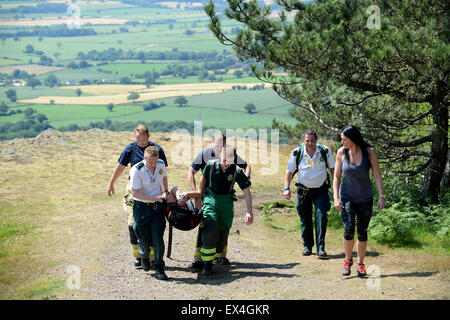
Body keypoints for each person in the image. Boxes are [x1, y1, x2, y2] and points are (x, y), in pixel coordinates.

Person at [107, 124, 168, 268]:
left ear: (148, 136)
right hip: (135, 189)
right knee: (133, 224)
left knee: (154, 229)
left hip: (153, 187)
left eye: (144, 140)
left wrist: (164, 191)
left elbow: (162, 173)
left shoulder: (157, 150)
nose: (141, 143)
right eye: (138, 140)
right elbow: (120, 167)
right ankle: (138, 255)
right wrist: (111, 183)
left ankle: (152, 258)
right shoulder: (131, 149)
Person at [187, 132, 251, 269]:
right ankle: (201, 259)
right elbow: (192, 172)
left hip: (225, 200)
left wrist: (245, 179)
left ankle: (220, 256)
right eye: (217, 143)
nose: (219, 146)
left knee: (223, 227)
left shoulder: (229, 154)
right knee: (208, 226)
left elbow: (246, 166)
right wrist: (198, 195)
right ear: (212, 141)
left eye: (222, 143)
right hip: (208, 195)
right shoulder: (205, 155)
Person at [333, 125, 386, 277]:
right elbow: (336, 176)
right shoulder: (341, 152)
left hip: (365, 198)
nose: (341, 141)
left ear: (353, 139)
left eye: (344, 139)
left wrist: (382, 195)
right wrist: (336, 197)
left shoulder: (369, 152)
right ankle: (347, 260)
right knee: (348, 229)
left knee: (362, 231)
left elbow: (377, 174)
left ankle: (360, 264)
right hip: (347, 197)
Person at [198, 145, 253, 275]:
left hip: (226, 203)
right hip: (210, 198)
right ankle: (207, 264)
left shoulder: (236, 171)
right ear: (220, 156)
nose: (226, 164)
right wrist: (199, 198)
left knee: (223, 234)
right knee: (211, 228)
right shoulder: (210, 165)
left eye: (229, 161)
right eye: (223, 160)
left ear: (233, 158)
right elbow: (202, 181)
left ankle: (215, 258)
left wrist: (249, 211)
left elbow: (246, 192)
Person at [284, 130, 335, 259]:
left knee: (321, 216)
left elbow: (333, 169)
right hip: (304, 191)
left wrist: (336, 188)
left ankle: (321, 247)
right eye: (307, 140)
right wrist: (287, 188)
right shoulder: (297, 152)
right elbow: (289, 172)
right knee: (305, 218)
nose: (310, 143)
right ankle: (307, 246)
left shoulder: (324, 151)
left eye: (312, 140)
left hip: (321, 190)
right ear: (303, 141)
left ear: (316, 140)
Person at [129, 146, 168, 280]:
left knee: (158, 238)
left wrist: (165, 191)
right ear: (144, 158)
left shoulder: (161, 164)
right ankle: (144, 256)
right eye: (150, 162)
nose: (153, 165)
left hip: (157, 208)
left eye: (155, 162)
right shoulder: (137, 169)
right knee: (144, 240)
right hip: (141, 208)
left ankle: (159, 267)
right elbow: (135, 192)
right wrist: (154, 198)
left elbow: (163, 177)